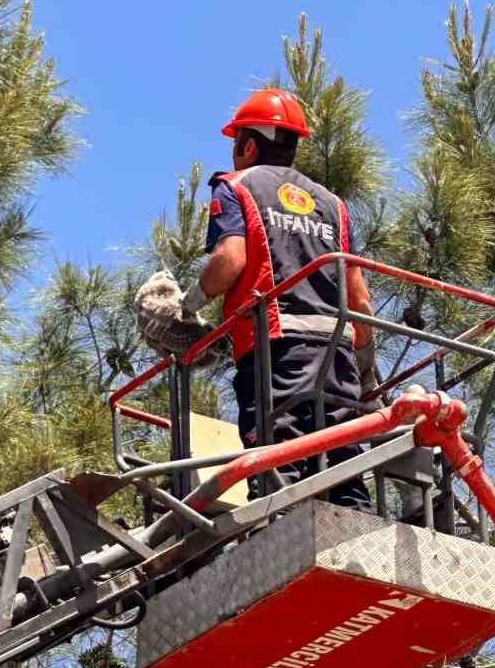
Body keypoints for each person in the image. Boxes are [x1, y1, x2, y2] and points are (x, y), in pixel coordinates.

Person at [138, 88, 376, 507]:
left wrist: (187, 306)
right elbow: (359, 298)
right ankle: (355, 539)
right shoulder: (333, 205)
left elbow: (230, 259)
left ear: (248, 145)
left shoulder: (238, 187)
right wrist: (365, 366)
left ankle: (281, 535)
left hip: (275, 348)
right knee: (341, 456)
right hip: (336, 353)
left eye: (236, 145)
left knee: (278, 452)